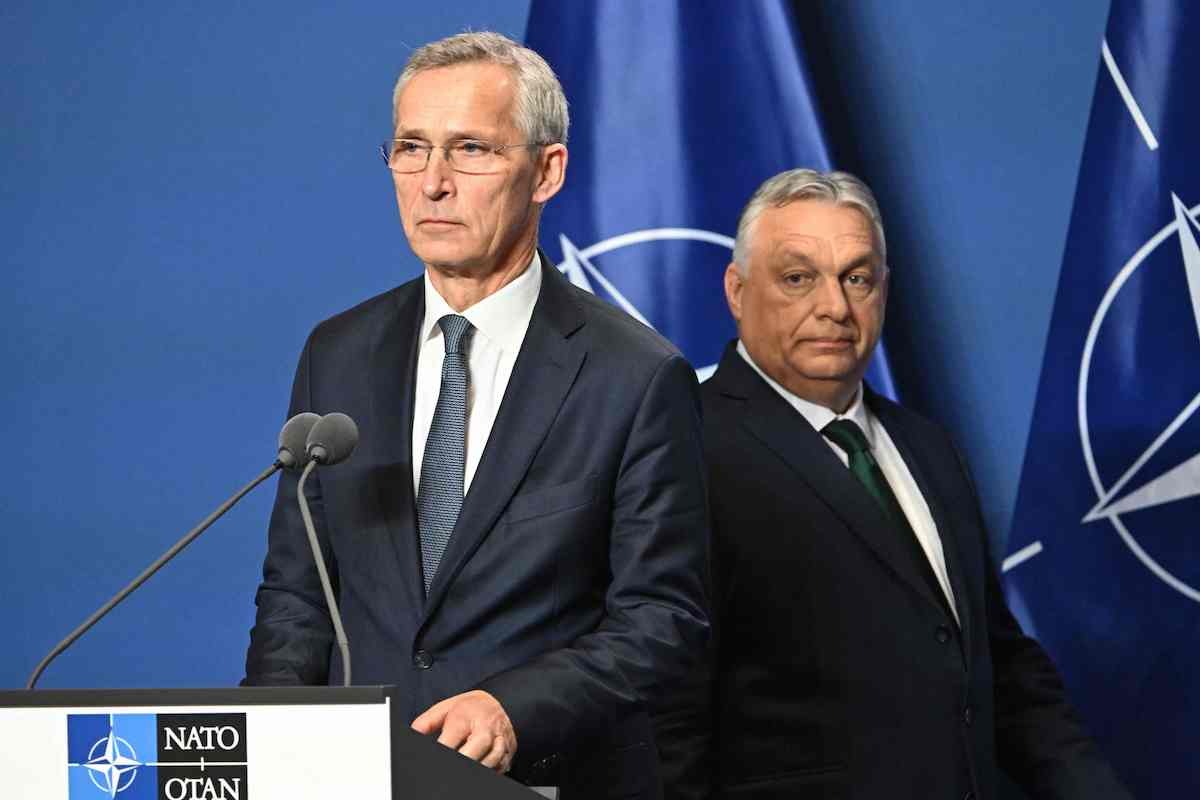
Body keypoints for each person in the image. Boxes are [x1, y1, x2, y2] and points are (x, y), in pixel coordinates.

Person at [242, 32, 709, 799]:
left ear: (546, 171)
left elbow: (661, 621)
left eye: (470, 150)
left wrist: (513, 710)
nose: (433, 183)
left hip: (540, 780)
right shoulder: (338, 353)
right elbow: (298, 594)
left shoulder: (635, 374)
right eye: (411, 149)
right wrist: (272, 749)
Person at [702, 169, 1131, 799]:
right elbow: (664, 711)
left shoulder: (928, 448)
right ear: (737, 291)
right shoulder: (686, 446)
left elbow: (997, 669)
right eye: (798, 278)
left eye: (857, 277)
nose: (835, 308)